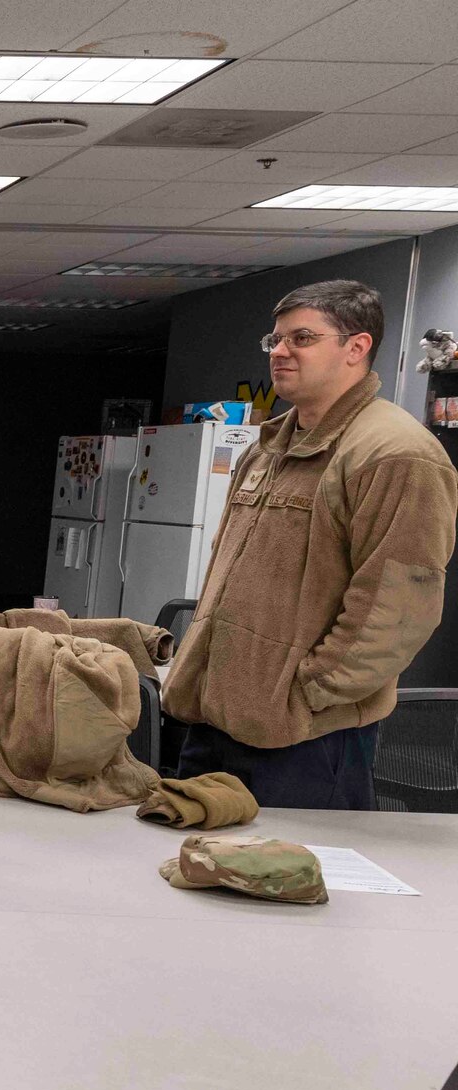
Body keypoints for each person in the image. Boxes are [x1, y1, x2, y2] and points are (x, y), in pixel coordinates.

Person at [164, 279, 457, 809]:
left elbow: (398, 607)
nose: (279, 351)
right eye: (274, 340)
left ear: (356, 347)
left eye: (301, 338)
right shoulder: (270, 445)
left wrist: (311, 692)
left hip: (308, 735)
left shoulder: (395, 452)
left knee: (288, 881)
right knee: (193, 876)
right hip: (216, 718)